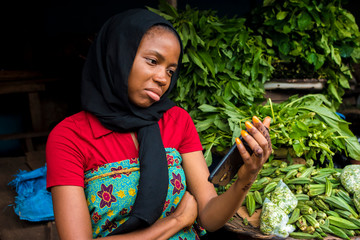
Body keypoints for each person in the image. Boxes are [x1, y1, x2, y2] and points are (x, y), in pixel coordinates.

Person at [46, 8, 272, 240]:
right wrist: (175, 222)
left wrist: (246, 178)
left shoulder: (176, 120)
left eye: (170, 70)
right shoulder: (69, 137)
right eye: (153, 61)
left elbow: (209, 216)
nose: (163, 78)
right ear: (118, 55)